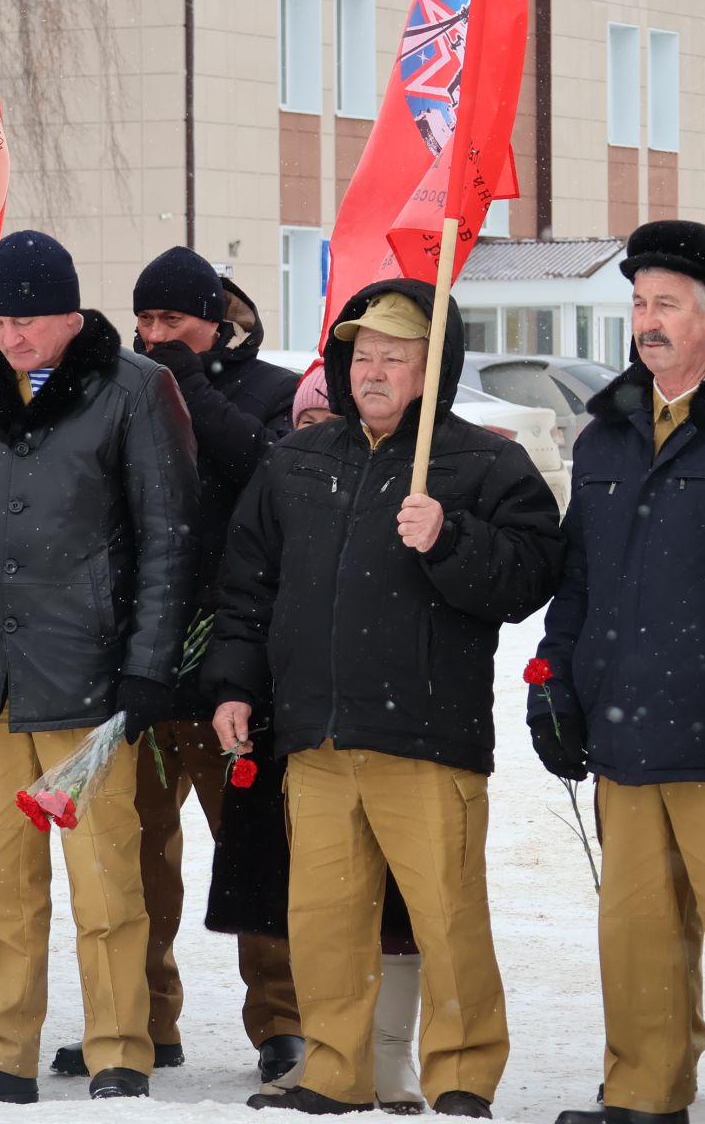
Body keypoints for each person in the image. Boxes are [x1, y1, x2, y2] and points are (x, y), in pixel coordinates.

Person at [204, 278, 565, 1119]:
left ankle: (463, 1074)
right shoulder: (297, 460)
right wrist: (234, 685)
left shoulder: (483, 462)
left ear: (432, 370)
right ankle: (336, 1070)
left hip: (426, 739)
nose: (373, 371)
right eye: (363, 355)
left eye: (395, 358)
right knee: (324, 920)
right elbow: (247, 589)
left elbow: (530, 578)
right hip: (313, 737)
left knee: (447, 920)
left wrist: (452, 539)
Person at [0, 230, 198, 1106]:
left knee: (106, 886)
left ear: (71, 315)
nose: (13, 338)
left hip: (91, 685)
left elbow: (168, 542)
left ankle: (119, 1051)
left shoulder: (138, 390)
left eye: (30, 321)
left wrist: (147, 670)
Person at [530, 221, 705, 1124]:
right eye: (639, 302)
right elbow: (580, 577)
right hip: (625, 728)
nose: (646, 321)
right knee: (637, 936)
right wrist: (558, 684)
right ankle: (644, 1095)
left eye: (666, 305)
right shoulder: (609, 433)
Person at [47, 246, 302, 1084]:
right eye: (146, 321)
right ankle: (145, 1020)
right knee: (137, 861)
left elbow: (267, 471)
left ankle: (283, 1023)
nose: (156, 336)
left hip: (238, 673)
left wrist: (185, 383)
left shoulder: (268, 390)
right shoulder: (119, 392)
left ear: (216, 320)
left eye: (174, 322)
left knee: (258, 860)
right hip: (145, 669)